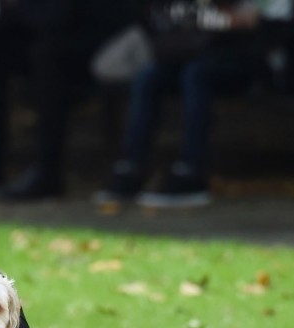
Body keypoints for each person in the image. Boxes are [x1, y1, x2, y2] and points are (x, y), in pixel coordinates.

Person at [0, 0, 138, 201]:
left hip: (105, 40)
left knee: (49, 56)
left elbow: (57, 17)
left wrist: (13, 6)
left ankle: (47, 172)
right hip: (53, 33)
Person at [94, 0, 264, 207]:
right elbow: (163, 17)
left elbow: (249, 20)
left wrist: (200, 17)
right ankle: (132, 167)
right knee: (148, 78)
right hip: (187, 56)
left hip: (236, 60)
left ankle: (191, 170)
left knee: (195, 75)